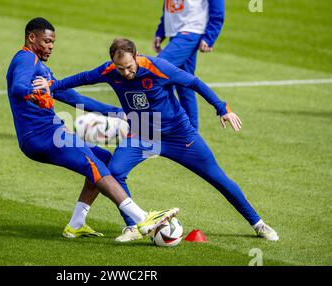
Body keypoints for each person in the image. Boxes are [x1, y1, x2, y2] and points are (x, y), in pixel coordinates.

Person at [35, 38, 279, 242]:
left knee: (217, 178)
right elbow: (82, 78)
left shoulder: (158, 67)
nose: (126, 73)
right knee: (114, 172)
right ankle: (133, 226)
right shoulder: (109, 71)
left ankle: (258, 224)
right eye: (121, 69)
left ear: (137, 56)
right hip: (140, 134)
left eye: (129, 67)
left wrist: (222, 108)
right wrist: (52, 85)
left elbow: (193, 82)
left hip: (179, 136)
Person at [6, 18, 179, 239]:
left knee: (103, 158)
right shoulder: (25, 59)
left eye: (53, 42)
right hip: (42, 135)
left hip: (45, 135)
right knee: (94, 166)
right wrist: (31, 94)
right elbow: (18, 86)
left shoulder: (41, 68)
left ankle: (77, 223)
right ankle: (142, 218)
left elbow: (73, 97)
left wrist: (119, 112)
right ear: (32, 38)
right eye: (47, 41)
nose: (51, 46)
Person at [154, 0, 225, 130]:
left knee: (155, 72)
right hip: (176, 33)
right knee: (184, 85)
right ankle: (192, 137)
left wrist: (209, 37)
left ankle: (150, 128)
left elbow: (218, 10)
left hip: (191, 31)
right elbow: (169, 5)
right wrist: (161, 31)